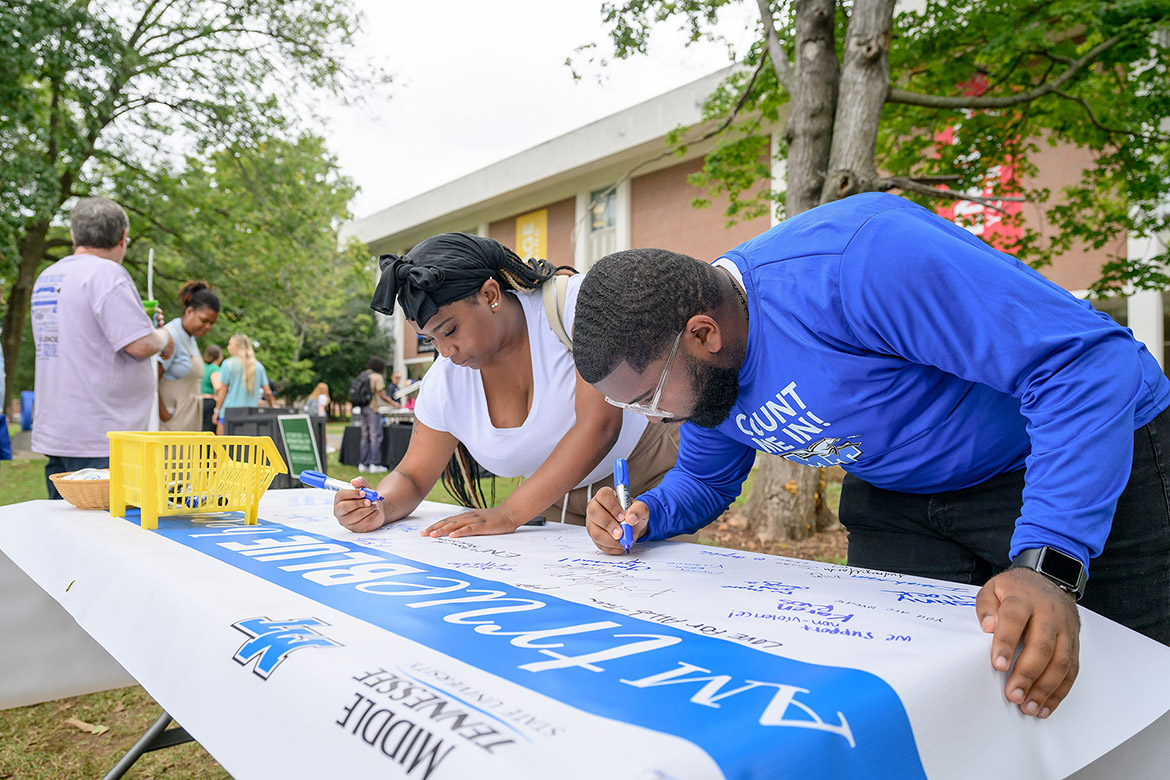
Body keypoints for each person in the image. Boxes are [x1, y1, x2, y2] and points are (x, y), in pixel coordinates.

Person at [572, 192, 1170, 722]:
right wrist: (648, 512)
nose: (652, 418)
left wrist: (1049, 564)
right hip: (900, 494)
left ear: (704, 334)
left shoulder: (860, 263)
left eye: (648, 397)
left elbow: (1085, 366)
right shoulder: (704, 379)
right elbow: (703, 478)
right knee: (913, 696)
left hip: (1067, 452)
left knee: (1126, 688)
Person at [332, 232, 679, 538]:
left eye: (450, 330)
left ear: (490, 294)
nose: (445, 352)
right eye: (429, 339)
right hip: (546, 503)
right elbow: (412, 475)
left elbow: (599, 426)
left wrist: (510, 514)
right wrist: (379, 505)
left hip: (646, 479)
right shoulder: (444, 381)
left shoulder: (573, 306)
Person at [30, 196, 174, 496]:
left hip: (59, 428)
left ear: (73, 235)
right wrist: (164, 336)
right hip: (101, 433)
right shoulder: (108, 275)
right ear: (122, 238)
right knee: (103, 530)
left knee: (65, 521)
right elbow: (140, 345)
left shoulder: (48, 276)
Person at [158, 281, 219, 431]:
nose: (208, 327)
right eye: (204, 320)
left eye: (212, 323)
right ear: (189, 311)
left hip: (188, 424)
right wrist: (165, 415)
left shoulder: (190, 338)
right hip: (172, 425)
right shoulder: (171, 336)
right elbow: (150, 380)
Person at [213, 333, 276, 434]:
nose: (228, 347)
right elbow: (267, 392)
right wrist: (271, 405)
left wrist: (217, 411)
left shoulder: (228, 364)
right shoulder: (258, 366)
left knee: (223, 447)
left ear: (237, 347)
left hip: (228, 413)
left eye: (230, 344)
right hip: (250, 415)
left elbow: (222, 390)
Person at [354, 356, 398, 473]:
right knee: (376, 436)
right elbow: (382, 395)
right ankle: (375, 463)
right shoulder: (377, 377)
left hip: (363, 407)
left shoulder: (363, 374)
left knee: (365, 436)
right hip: (373, 408)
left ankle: (363, 464)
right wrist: (393, 403)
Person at [201, 344, 223, 432]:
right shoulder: (215, 369)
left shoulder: (202, 367)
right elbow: (217, 387)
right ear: (219, 355)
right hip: (209, 402)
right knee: (208, 434)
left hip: (199, 402)